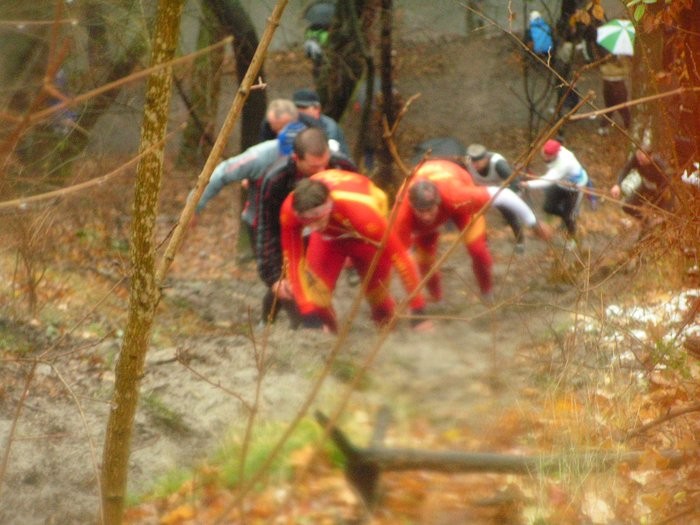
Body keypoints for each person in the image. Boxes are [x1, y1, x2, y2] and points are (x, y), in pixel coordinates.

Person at [278, 171, 430, 332]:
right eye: (307, 222)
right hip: (329, 239)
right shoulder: (289, 210)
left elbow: (400, 258)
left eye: (318, 219)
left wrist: (418, 309)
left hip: (366, 237)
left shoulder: (363, 215)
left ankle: (388, 344)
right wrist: (307, 312)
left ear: (328, 205)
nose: (314, 227)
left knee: (380, 301)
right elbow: (292, 260)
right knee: (317, 299)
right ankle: (330, 343)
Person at [395, 159, 551, 304]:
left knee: (478, 251)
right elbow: (405, 260)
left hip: (457, 185)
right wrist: (417, 303)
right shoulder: (402, 215)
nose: (426, 216)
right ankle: (436, 298)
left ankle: (487, 293)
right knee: (423, 262)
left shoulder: (457, 196)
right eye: (421, 211)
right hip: (424, 215)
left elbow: (504, 195)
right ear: (412, 207)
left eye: (430, 209)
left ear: (438, 202)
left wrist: (534, 223)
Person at [256, 127, 357, 324]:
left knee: (312, 282)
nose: (321, 173)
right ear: (296, 158)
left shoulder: (342, 165)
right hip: (285, 230)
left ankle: (313, 322)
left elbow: (356, 203)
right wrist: (273, 276)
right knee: (285, 284)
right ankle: (268, 321)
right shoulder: (276, 179)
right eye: (313, 167)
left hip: (327, 230)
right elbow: (267, 229)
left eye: (324, 164)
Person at [193, 120, 306, 254]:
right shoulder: (259, 156)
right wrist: (194, 206)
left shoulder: (319, 155)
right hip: (262, 224)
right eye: (287, 153)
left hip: (302, 223)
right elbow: (222, 173)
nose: (291, 159)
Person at [521, 139, 588, 247]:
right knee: (548, 207)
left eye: (549, 156)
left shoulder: (564, 164)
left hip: (574, 186)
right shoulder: (549, 152)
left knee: (569, 217)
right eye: (545, 154)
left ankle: (573, 238)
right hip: (560, 182)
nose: (546, 157)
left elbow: (547, 180)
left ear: (556, 153)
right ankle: (566, 215)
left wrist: (527, 184)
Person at [466, 143, 528, 252]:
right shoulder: (468, 162)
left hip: (500, 192)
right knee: (477, 217)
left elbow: (515, 183)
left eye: (478, 163)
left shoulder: (499, 164)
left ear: (485, 159)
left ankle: (520, 242)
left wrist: (512, 200)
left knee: (510, 216)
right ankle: (483, 243)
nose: (474, 166)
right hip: (482, 191)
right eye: (473, 163)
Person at [610, 147, 674, 220]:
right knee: (627, 206)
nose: (640, 163)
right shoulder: (636, 159)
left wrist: (662, 194)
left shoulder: (660, 164)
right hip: (645, 185)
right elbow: (626, 169)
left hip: (660, 190)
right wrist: (617, 185)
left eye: (643, 161)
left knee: (661, 214)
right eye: (639, 160)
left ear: (651, 157)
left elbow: (669, 182)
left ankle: (654, 223)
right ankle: (645, 220)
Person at [291, 88, 350, 157]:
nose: (298, 111)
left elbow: (334, 155)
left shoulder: (329, 127)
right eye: (296, 107)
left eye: (303, 107)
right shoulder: (292, 123)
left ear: (317, 108)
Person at [598, 55, 631, 135]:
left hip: (611, 83)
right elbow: (626, 71)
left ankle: (604, 127)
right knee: (620, 107)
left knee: (614, 107)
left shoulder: (607, 57)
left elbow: (602, 68)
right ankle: (628, 127)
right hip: (615, 83)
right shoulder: (620, 58)